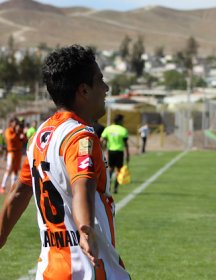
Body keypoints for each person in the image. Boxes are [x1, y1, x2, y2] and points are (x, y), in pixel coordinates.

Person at [0, 45, 131, 279]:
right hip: (88, 269)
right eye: (100, 80)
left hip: (51, 270)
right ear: (84, 91)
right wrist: (85, 229)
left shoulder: (39, 136)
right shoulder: (81, 137)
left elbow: (19, 193)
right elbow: (83, 184)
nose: (106, 88)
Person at [101, 114, 130, 194]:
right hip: (119, 152)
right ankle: (115, 188)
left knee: (110, 169)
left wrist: (103, 149)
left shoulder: (108, 129)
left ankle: (108, 186)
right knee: (119, 170)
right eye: (123, 120)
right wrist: (128, 155)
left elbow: (102, 140)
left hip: (111, 151)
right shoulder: (123, 130)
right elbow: (126, 144)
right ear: (120, 121)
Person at [0, 118, 25, 194]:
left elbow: (24, 140)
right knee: (9, 169)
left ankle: (12, 187)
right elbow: (10, 139)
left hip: (18, 153)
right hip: (11, 152)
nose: (16, 125)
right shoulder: (9, 131)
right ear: (11, 123)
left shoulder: (19, 131)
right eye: (15, 123)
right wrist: (17, 133)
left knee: (16, 170)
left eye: (17, 124)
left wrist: (22, 136)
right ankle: (3, 186)